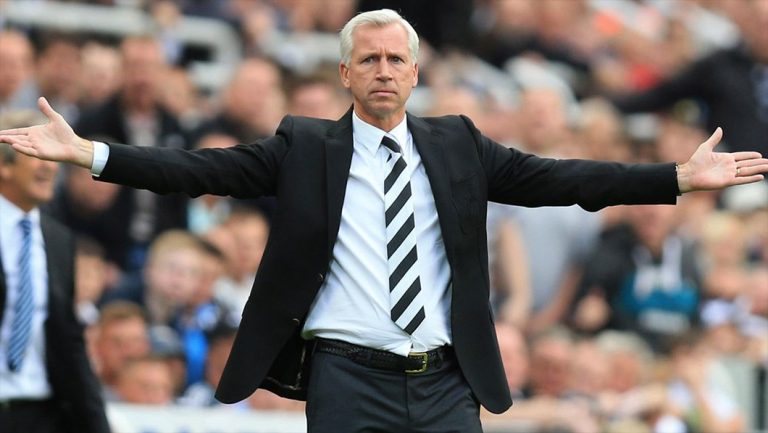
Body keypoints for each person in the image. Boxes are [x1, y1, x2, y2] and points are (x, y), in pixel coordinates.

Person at [1, 9, 767, 433]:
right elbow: (197, 169)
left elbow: (562, 178)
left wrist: (675, 177)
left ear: (416, 71)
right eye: (368, 60)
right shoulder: (304, 146)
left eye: (396, 59)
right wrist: (89, 152)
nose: (383, 71)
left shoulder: (459, 143)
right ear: (344, 73)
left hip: (446, 381)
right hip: (346, 378)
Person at [0, 110, 110, 432]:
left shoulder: (59, 239)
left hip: (41, 414)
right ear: (4, 165)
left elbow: (68, 340)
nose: (50, 167)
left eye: (52, 157)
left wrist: (97, 424)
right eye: (37, 154)